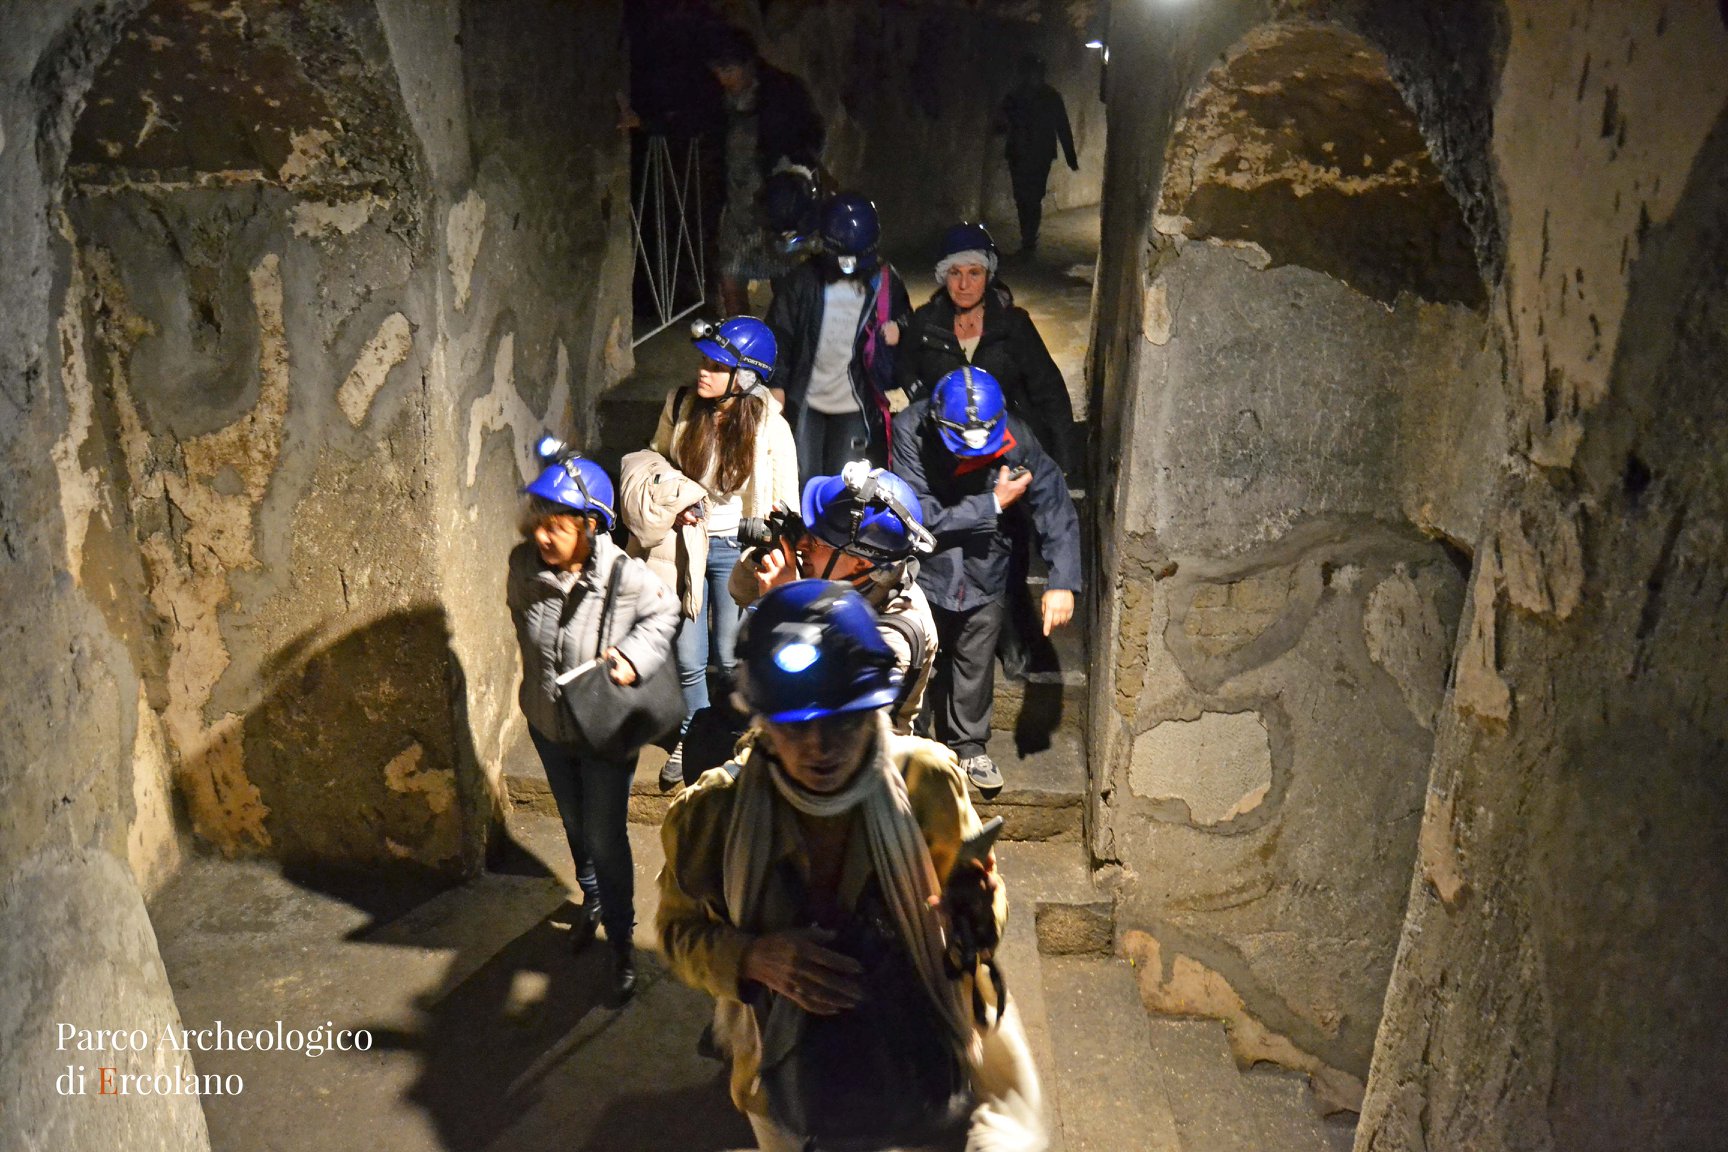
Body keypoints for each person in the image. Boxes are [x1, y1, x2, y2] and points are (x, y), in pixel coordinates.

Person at [656, 580, 1044, 1152]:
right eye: (794, 725)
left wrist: (973, 917)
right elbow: (676, 931)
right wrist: (752, 958)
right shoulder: (713, 816)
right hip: (782, 1073)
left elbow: (980, 914)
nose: (818, 746)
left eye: (840, 720)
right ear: (762, 722)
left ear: (875, 710)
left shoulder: (925, 783)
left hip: (914, 1054)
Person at [508, 444, 678, 1001]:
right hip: (547, 723)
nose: (541, 537)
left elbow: (665, 613)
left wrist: (633, 654)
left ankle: (623, 942)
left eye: (555, 527)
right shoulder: (522, 567)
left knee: (606, 837)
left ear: (589, 526)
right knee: (576, 826)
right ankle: (591, 900)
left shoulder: (624, 576)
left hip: (604, 730)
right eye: (538, 524)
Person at [892, 366, 1081, 796]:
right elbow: (916, 514)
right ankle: (906, 743)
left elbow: (1052, 499)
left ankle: (969, 744)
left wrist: (1062, 579)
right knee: (915, 652)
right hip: (928, 561)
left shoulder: (1013, 432)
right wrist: (992, 504)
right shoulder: (910, 429)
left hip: (987, 564)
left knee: (975, 658)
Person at [636, 316, 801, 791]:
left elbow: (785, 499)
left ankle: (732, 733)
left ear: (745, 376)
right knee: (688, 656)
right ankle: (691, 734)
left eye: (717, 365)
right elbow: (656, 459)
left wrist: (769, 532)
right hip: (686, 544)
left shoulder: (770, 425)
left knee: (730, 657)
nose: (703, 371)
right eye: (704, 361)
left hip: (736, 549)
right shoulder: (682, 405)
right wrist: (675, 500)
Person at [729, 462, 939, 735]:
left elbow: (824, 721)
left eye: (817, 542)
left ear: (861, 564)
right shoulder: (833, 576)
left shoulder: (896, 629)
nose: (804, 545)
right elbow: (739, 590)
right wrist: (772, 548)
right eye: (808, 531)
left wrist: (783, 605)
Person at [898, 222, 1075, 476]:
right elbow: (906, 367)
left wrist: (1063, 464)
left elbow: (1050, 391)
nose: (963, 285)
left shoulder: (1013, 325)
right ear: (943, 276)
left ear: (988, 275)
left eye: (974, 273)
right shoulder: (925, 322)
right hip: (947, 448)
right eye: (955, 273)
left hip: (1006, 449)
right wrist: (926, 402)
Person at [765, 193, 912, 483]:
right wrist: (777, 386)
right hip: (806, 402)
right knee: (801, 479)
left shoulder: (884, 281)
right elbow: (779, 333)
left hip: (854, 404)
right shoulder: (803, 280)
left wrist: (901, 328)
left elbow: (910, 321)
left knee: (844, 486)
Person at [708, 26, 826, 315]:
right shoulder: (720, 98)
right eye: (717, 72)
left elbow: (813, 134)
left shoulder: (783, 91)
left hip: (776, 205)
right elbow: (691, 120)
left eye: (728, 70)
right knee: (730, 277)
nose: (723, 79)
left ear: (748, 64)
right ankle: (744, 350)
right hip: (738, 203)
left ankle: (789, 346)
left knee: (785, 281)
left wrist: (794, 169)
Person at [993, 53, 1077, 257]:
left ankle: (1029, 240)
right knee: (1023, 197)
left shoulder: (1047, 97)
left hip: (1038, 155)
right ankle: (1027, 239)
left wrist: (1071, 156)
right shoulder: (1017, 97)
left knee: (1033, 197)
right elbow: (1000, 124)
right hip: (1021, 154)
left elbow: (1062, 126)